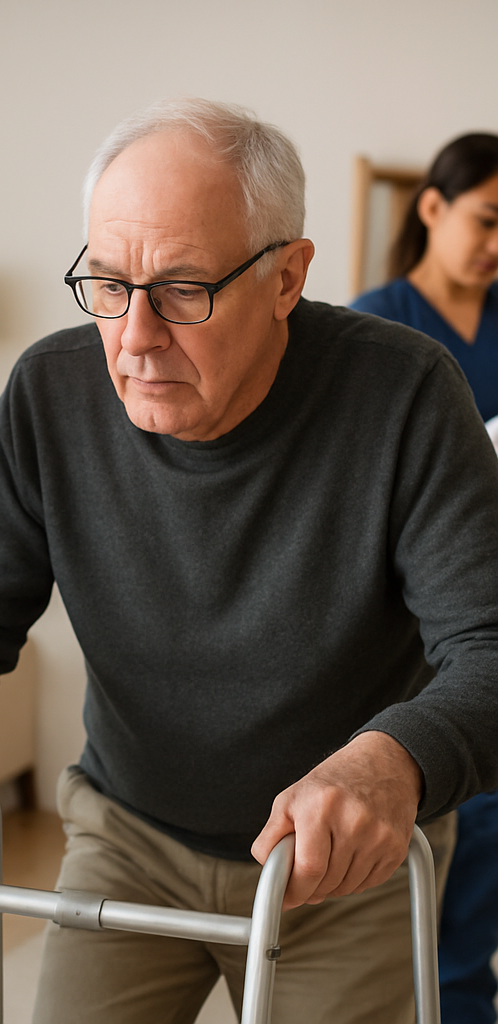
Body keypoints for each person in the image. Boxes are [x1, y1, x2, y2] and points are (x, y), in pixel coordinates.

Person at [0, 98, 498, 1024]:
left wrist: (392, 762)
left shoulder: (407, 394)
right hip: (130, 834)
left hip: (339, 861)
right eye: (108, 284)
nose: (136, 337)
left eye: (184, 290)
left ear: (287, 277)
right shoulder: (50, 392)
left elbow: (490, 645)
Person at [352, 132, 498, 1024]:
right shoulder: (378, 324)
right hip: (415, 614)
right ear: (434, 209)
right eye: (487, 221)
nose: (497, 246)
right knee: (453, 821)